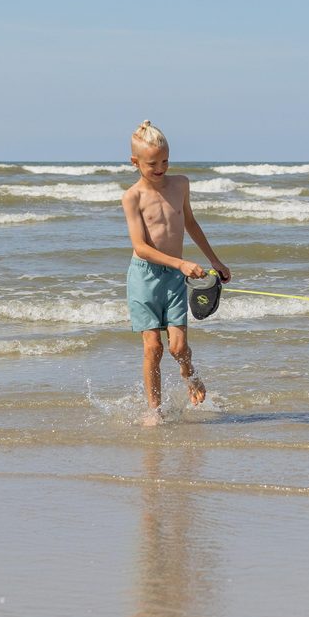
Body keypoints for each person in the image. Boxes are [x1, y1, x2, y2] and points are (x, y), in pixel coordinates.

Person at [121, 121, 231, 425]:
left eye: (165, 161)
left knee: (178, 347)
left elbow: (191, 224)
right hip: (144, 278)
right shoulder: (132, 197)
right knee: (153, 347)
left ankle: (188, 373)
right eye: (152, 163)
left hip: (173, 280)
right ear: (135, 162)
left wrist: (215, 261)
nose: (161, 168)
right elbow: (140, 247)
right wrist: (181, 263)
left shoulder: (180, 184)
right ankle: (153, 410)